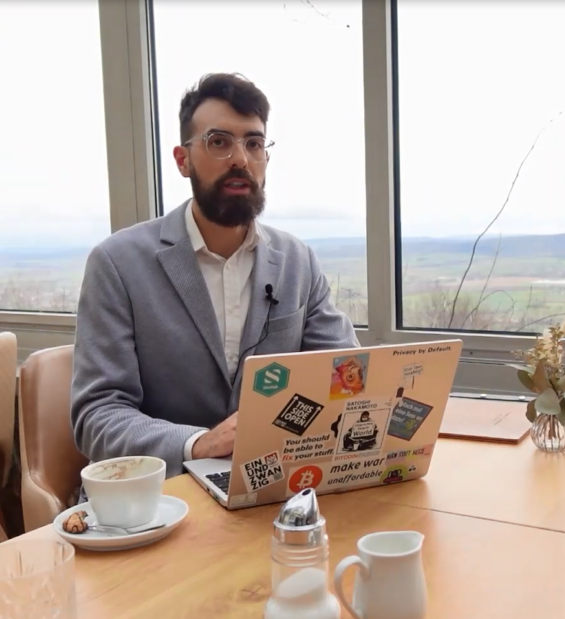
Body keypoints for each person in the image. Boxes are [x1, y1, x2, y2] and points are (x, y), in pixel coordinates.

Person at [70, 72, 359, 478]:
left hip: (272, 488)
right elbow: (97, 416)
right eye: (219, 142)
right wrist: (198, 445)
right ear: (182, 159)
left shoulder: (298, 260)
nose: (241, 159)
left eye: (254, 143)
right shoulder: (117, 264)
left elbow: (346, 376)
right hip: (161, 497)